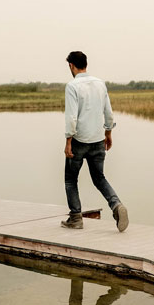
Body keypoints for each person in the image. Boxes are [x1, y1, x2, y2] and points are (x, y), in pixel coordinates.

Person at [62, 51, 129, 231]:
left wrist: (68, 141)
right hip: (98, 139)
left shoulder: (72, 86)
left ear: (71, 66)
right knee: (99, 178)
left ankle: (75, 217)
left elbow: (71, 117)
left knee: (70, 180)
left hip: (79, 140)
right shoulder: (100, 84)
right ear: (86, 64)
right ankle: (116, 205)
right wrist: (108, 133)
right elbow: (108, 112)